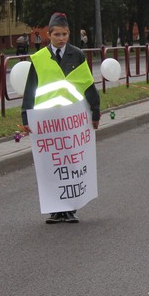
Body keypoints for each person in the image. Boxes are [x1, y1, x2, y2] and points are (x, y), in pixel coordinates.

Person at [21, 12, 100, 224]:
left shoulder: (77, 55)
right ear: (49, 34)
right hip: (48, 122)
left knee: (72, 162)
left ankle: (70, 207)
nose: (61, 38)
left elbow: (87, 84)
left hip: (73, 120)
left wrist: (96, 110)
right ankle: (55, 208)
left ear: (69, 34)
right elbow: (31, 90)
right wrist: (26, 117)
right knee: (52, 165)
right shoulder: (38, 59)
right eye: (57, 34)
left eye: (64, 34)